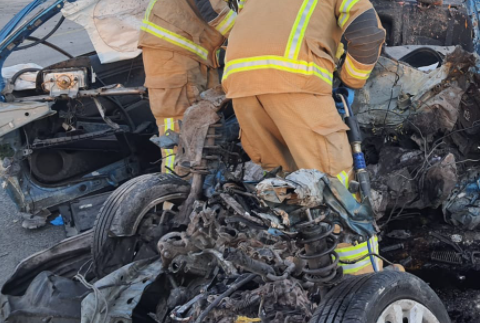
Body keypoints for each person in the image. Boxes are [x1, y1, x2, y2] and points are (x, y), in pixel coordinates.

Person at [221, 0, 386, 275]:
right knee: (335, 184)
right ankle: (362, 276)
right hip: (296, 78)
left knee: (287, 183)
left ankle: (306, 268)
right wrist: (350, 81)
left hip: (241, 86)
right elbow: (368, 32)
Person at [138, 0, 236, 173]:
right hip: (173, 61)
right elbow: (217, 13)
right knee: (181, 133)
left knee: (206, 126)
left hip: (190, 55)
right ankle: (175, 185)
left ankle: (203, 183)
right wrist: (250, 36)